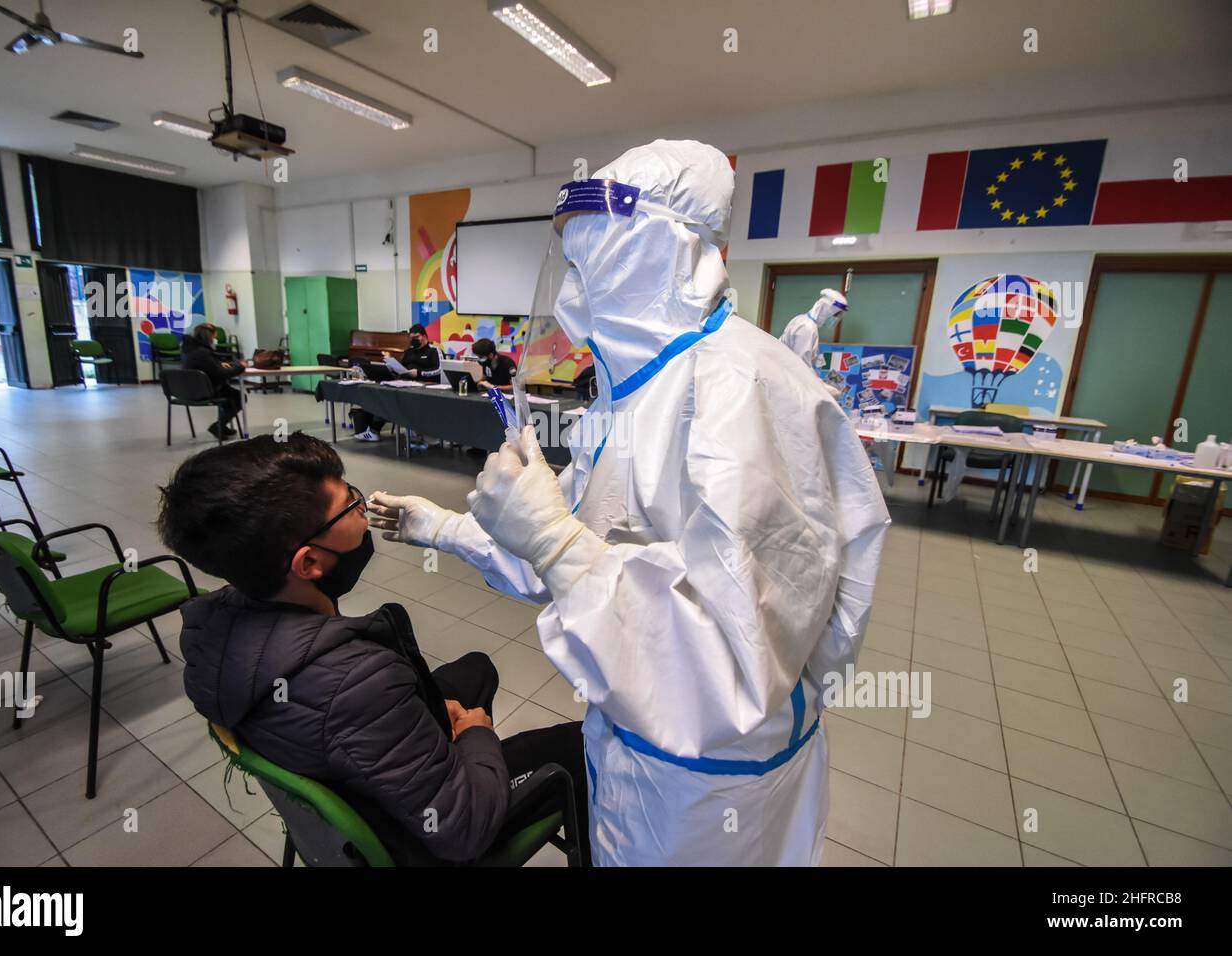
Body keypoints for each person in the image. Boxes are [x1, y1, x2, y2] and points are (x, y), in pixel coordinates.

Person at [368, 139, 890, 866]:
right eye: (569, 264)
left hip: (713, 787)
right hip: (631, 742)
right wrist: (451, 527)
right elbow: (584, 565)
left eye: (588, 260)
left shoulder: (740, 392)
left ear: (655, 251)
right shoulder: (631, 396)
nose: (570, 291)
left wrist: (554, 541)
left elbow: (732, 668)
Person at [157, 433, 591, 866]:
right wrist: (475, 735)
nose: (364, 511)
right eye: (350, 505)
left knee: (477, 669)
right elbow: (462, 830)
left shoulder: (208, 627)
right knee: (581, 744)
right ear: (309, 563)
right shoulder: (360, 682)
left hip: (351, 763)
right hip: (431, 835)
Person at [351, 323, 442, 448]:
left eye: (416, 337)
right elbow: (401, 368)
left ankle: (414, 432)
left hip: (426, 386)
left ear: (424, 336)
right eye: (412, 337)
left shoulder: (433, 350)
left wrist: (419, 373)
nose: (414, 340)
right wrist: (391, 366)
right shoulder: (409, 351)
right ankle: (373, 431)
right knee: (385, 397)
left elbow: (439, 369)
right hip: (406, 383)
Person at [181, 323, 246, 438]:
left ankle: (222, 426)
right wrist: (241, 367)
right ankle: (218, 426)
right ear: (210, 337)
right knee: (239, 397)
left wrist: (218, 364)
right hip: (203, 392)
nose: (216, 340)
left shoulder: (190, 350)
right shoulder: (203, 352)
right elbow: (222, 374)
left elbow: (207, 366)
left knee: (227, 392)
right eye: (215, 337)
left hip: (187, 391)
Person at [780, 288, 848, 371]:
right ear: (827, 311)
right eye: (835, 315)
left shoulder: (803, 319)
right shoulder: (807, 328)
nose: (835, 319)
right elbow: (800, 366)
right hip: (786, 373)